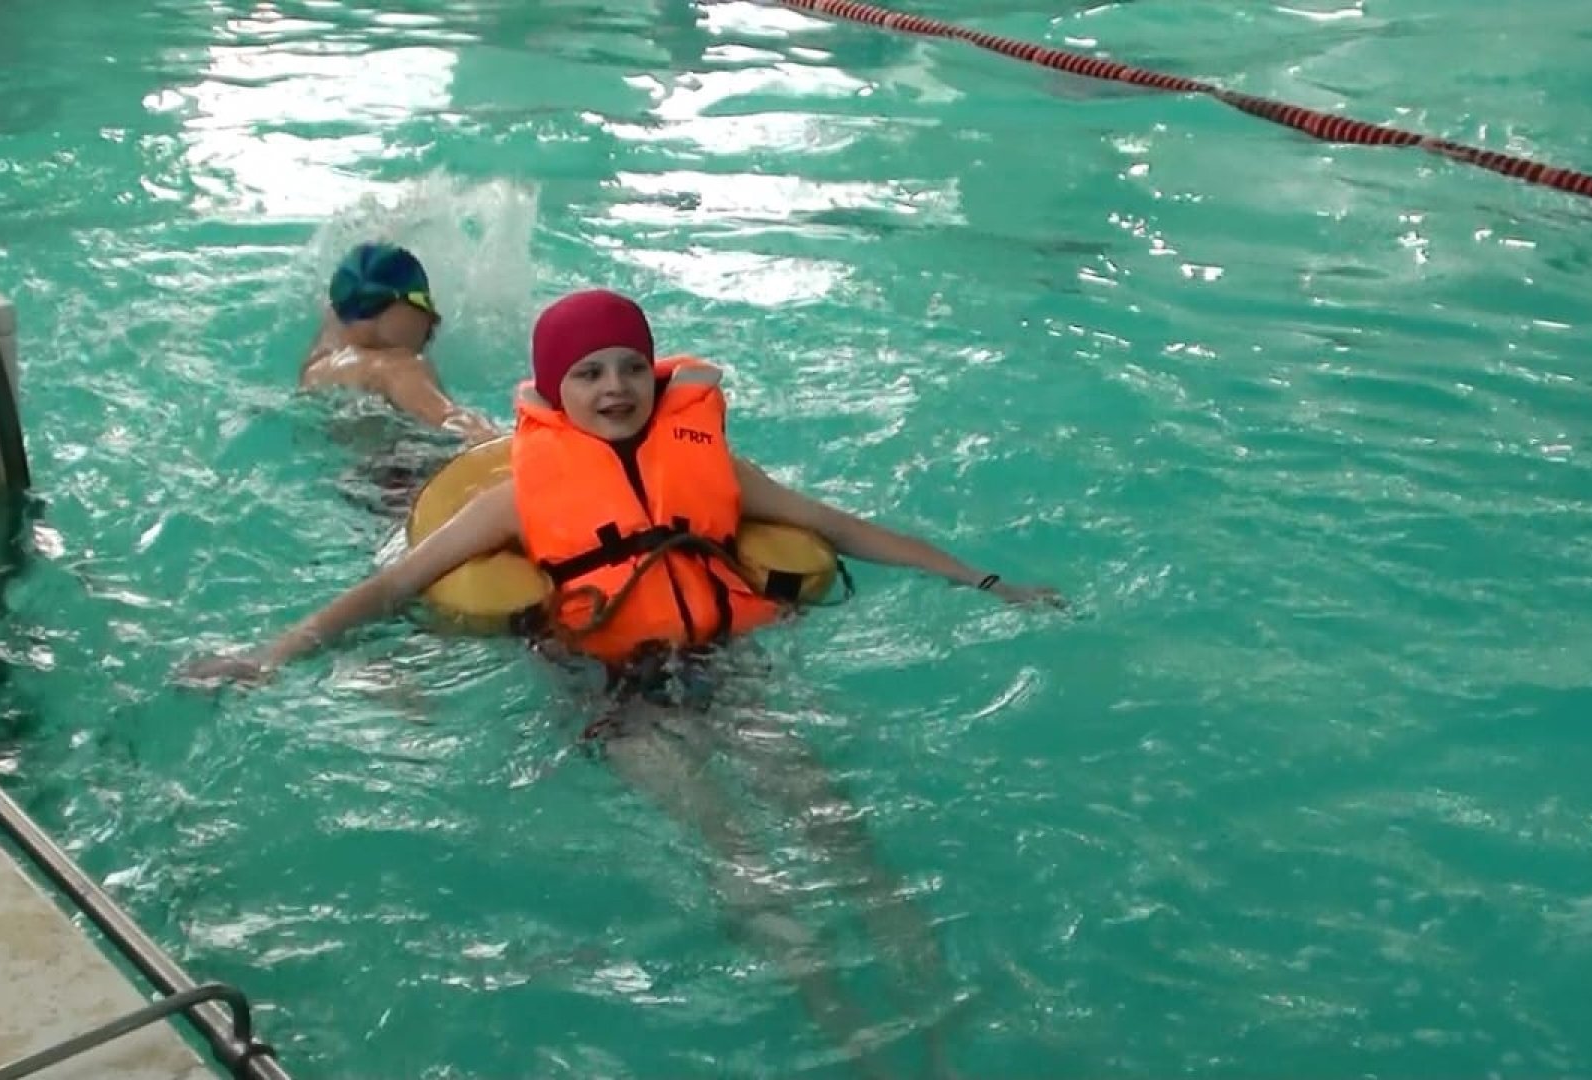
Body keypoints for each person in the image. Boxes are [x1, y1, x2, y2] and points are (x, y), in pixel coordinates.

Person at [187, 288, 1063, 1077]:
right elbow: (392, 587)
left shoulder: (716, 470)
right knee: (741, 859)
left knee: (845, 841)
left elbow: (845, 528)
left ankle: (940, 1038)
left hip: (726, 671)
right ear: (553, 391)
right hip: (617, 697)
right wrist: (271, 655)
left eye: (631, 367)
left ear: (655, 373)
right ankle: (852, 1037)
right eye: (589, 373)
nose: (615, 387)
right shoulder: (518, 498)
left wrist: (985, 581)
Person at [300, 241, 502, 446]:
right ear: (396, 303)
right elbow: (455, 422)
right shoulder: (394, 367)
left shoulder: (319, 364)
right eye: (423, 302)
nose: (432, 320)